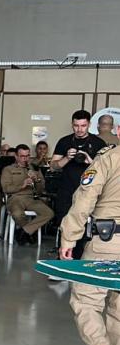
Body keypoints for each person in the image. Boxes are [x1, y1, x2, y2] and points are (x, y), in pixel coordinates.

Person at [59, 131, 120, 345]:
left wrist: (68, 237)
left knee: (85, 300)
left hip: (108, 242)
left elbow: (85, 198)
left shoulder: (109, 157)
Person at [51, 110, 106, 258]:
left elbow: (104, 170)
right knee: (64, 225)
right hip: (66, 191)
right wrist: (67, 158)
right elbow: (53, 166)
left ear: (89, 124)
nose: (79, 129)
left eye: (83, 125)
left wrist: (90, 161)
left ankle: (79, 260)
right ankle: (63, 259)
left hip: (88, 192)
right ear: (72, 124)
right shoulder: (64, 141)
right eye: (76, 126)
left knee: (85, 227)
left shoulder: (98, 143)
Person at [2, 144, 54, 245]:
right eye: (22, 156)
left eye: (27, 156)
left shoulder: (34, 168)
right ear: (16, 156)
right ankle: (30, 233)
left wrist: (37, 180)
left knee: (49, 213)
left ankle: (24, 232)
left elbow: (40, 190)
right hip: (15, 198)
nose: (25, 159)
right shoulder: (8, 169)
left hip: (31, 198)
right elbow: (6, 188)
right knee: (17, 214)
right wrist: (22, 185)